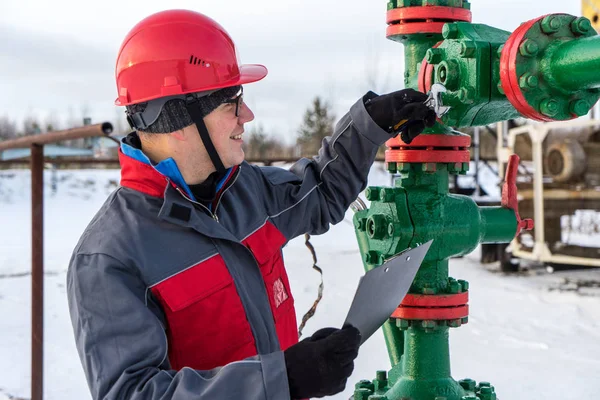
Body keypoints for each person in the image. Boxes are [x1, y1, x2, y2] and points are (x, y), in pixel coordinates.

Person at [66, 8, 436, 400]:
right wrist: (283, 380)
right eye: (231, 102)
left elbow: (321, 193)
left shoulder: (247, 191)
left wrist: (371, 123)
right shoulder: (109, 257)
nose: (248, 116)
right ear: (176, 117)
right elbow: (133, 394)